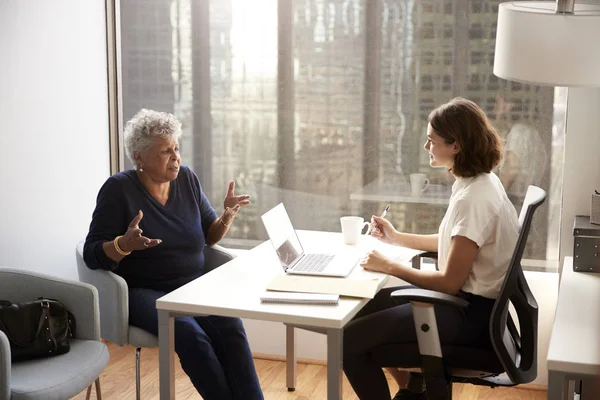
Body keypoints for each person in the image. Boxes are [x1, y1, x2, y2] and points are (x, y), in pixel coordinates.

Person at [342, 98, 520, 400]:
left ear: (456, 145)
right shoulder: (478, 182)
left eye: (431, 140)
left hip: (471, 317)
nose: (426, 148)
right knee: (362, 308)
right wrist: (396, 238)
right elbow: (453, 242)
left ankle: (415, 389)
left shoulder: (474, 198)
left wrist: (390, 267)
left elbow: (450, 283)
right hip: (471, 307)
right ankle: (414, 388)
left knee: (348, 340)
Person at [83, 109, 264, 400]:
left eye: (176, 148)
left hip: (192, 285)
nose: (176, 157)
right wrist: (122, 245)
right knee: (190, 335)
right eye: (165, 151)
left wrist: (226, 217)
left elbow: (209, 235)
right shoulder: (118, 189)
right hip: (143, 291)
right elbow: (92, 253)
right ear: (139, 157)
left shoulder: (187, 180)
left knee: (232, 327)